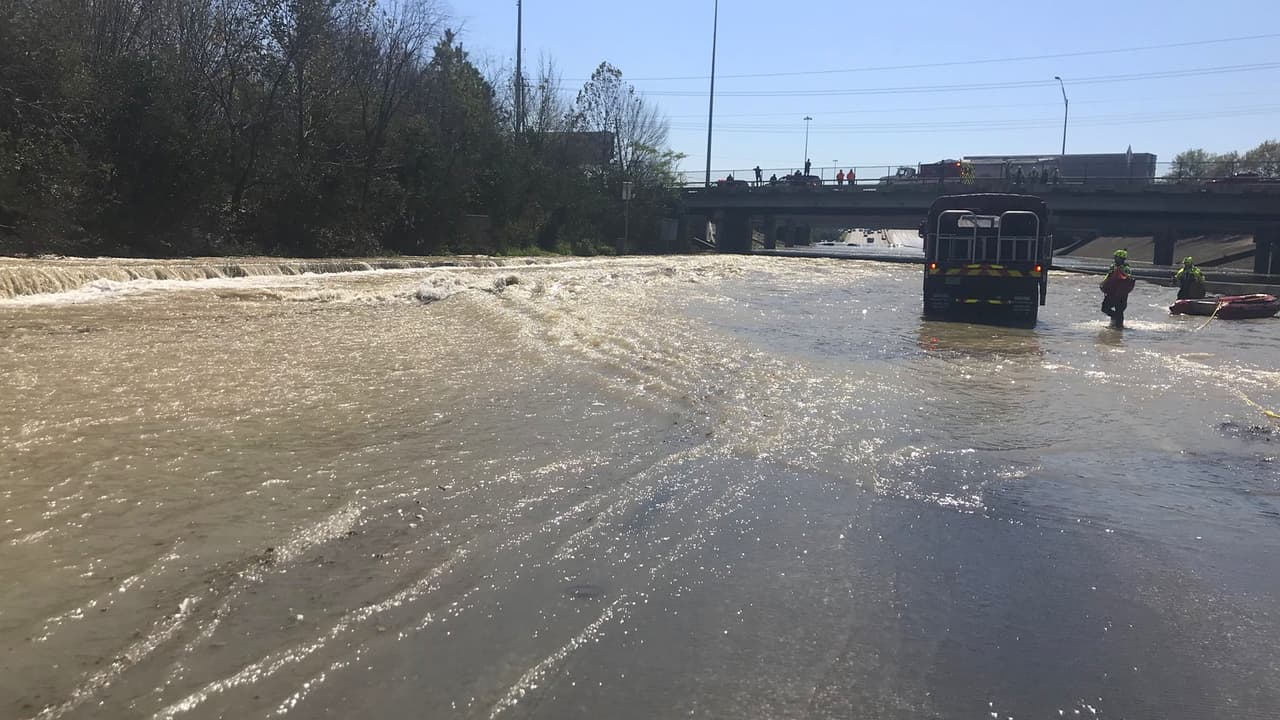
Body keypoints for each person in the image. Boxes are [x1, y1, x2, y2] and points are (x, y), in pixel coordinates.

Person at [1100, 249, 1137, 329]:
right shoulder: (1113, 266)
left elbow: (1127, 278)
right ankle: (1114, 319)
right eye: (1115, 257)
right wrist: (1103, 284)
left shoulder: (1126, 268)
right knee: (1105, 308)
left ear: (1122, 259)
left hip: (1121, 294)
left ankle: (1118, 327)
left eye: (1117, 257)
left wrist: (1121, 272)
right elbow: (1108, 276)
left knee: (1120, 310)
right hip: (1111, 292)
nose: (1115, 259)